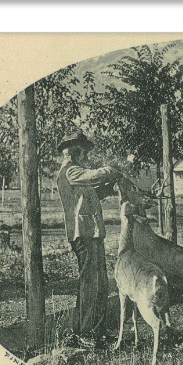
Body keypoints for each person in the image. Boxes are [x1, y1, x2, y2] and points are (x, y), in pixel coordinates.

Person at [56, 130, 122, 342]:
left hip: (91, 234)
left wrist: (107, 188)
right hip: (83, 235)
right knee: (90, 285)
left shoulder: (77, 175)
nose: (88, 158)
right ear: (75, 153)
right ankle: (86, 333)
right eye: (85, 153)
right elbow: (94, 175)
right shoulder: (71, 171)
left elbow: (89, 196)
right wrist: (112, 171)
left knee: (99, 284)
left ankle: (96, 331)